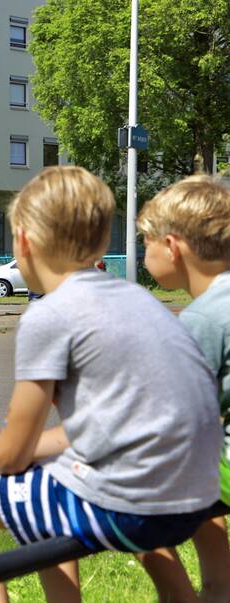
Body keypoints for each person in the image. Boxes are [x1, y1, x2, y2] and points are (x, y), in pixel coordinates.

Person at [0, 166, 221, 603]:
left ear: (23, 243)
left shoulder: (49, 314)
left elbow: (12, 452)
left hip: (133, 505)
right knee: (43, 481)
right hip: (198, 495)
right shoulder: (137, 299)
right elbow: (107, 426)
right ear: (100, 244)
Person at [136, 176, 230, 603]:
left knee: (129, 491)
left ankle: (184, 596)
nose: (144, 253)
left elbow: (166, 415)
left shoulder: (202, 321)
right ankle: (218, 585)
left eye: (145, 242)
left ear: (172, 247)